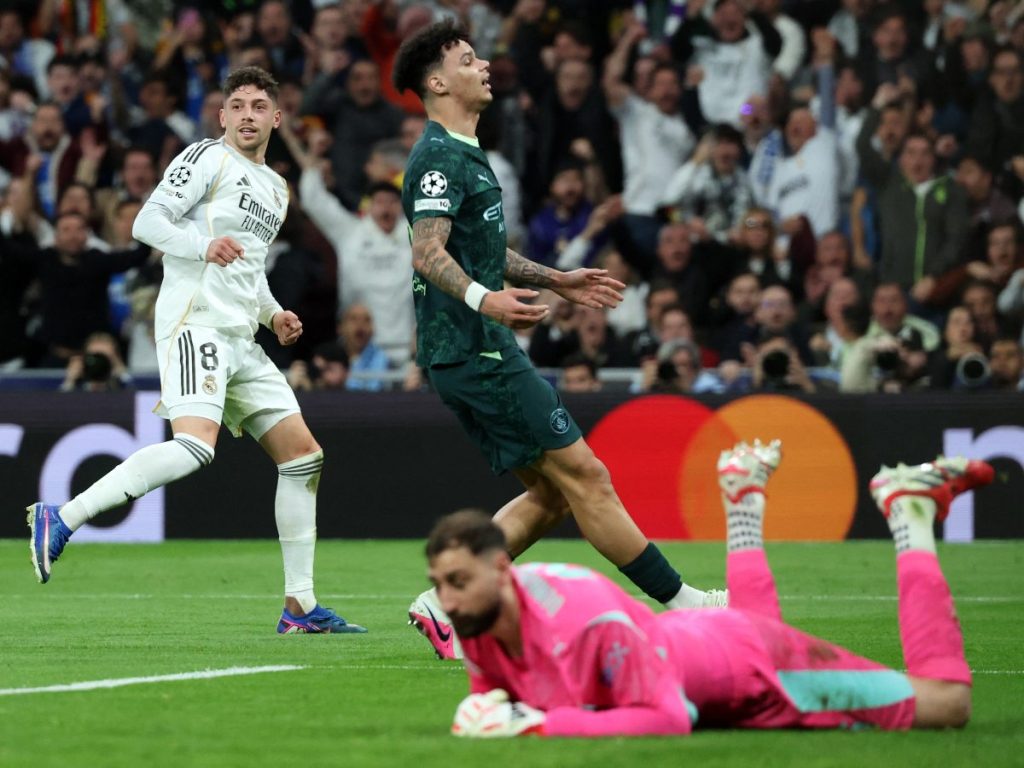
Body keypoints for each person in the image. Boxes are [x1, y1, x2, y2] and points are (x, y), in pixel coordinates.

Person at [392, 21, 725, 660]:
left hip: (469, 349)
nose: (483, 64)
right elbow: (427, 250)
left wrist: (557, 279)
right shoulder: (437, 155)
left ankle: (443, 602)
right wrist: (483, 299)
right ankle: (686, 606)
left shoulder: (462, 149)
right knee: (587, 476)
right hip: (474, 347)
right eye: (467, 59)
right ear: (437, 82)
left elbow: (480, 248)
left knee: (552, 495)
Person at [27, 66, 365, 636]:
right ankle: (63, 515)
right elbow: (146, 222)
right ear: (223, 116)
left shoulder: (276, 189)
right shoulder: (206, 157)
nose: (249, 115)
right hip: (196, 322)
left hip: (241, 335)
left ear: (277, 118)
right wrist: (204, 244)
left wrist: (273, 313)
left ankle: (300, 608)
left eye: (260, 105)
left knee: (304, 458)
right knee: (194, 447)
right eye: (238, 105)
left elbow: (249, 268)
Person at [428, 439, 993, 738]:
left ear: (503, 568)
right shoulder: (481, 618)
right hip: (708, 640)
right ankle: (742, 501)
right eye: (440, 587)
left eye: (457, 583)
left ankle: (909, 514)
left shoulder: (586, 617)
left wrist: (543, 726)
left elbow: (669, 717)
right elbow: (496, 704)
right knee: (758, 629)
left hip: (747, 665)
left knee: (946, 704)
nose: (447, 603)